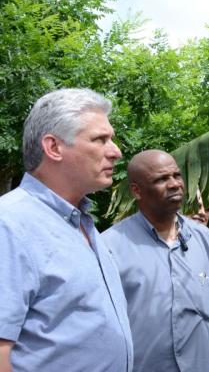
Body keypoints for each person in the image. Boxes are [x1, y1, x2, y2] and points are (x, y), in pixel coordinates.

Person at [0, 88, 133, 372]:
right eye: (100, 139)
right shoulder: (9, 224)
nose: (116, 151)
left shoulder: (80, 223)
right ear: (54, 147)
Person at [103, 150, 209, 372]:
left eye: (177, 176)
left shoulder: (205, 239)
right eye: (161, 179)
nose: (174, 184)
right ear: (137, 191)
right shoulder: (110, 247)